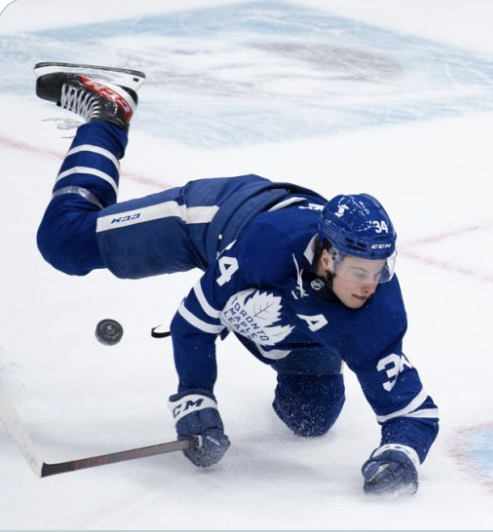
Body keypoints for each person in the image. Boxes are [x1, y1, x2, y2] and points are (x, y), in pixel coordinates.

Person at [32, 63, 437, 497]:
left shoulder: (377, 309)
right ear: (327, 257)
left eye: (379, 272)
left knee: (311, 418)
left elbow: (414, 415)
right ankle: (108, 112)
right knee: (63, 243)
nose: (371, 286)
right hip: (215, 220)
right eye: (360, 272)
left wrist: (398, 456)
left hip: (289, 308)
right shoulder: (268, 245)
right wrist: (196, 400)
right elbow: (192, 325)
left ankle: (268, 331)